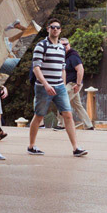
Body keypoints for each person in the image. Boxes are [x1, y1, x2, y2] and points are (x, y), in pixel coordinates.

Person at [27, 20, 87, 157]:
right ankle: (31, 146)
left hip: (59, 86)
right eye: (52, 27)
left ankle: (76, 147)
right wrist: (46, 84)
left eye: (57, 28)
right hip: (43, 87)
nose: (55, 29)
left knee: (68, 114)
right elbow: (36, 68)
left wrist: (63, 86)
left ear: (60, 30)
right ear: (48, 29)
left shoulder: (61, 48)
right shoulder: (41, 46)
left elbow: (62, 68)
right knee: (39, 116)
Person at [63, 40, 94, 129]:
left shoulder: (73, 56)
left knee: (62, 101)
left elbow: (81, 70)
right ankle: (89, 125)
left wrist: (78, 84)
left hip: (73, 84)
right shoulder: (64, 57)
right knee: (77, 106)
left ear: (69, 45)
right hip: (68, 83)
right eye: (62, 45)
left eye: (66, 44)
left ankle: (61, 124)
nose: (64, 46)